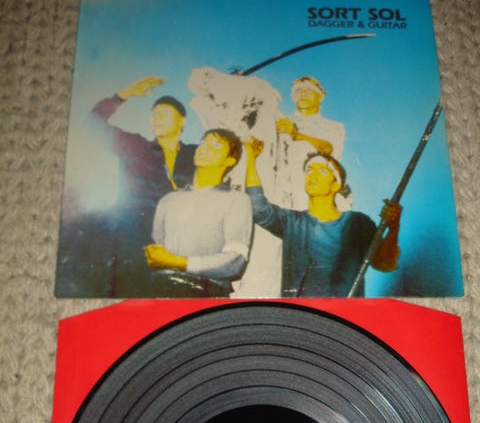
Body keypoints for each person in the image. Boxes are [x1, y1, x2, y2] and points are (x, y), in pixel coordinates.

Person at [87, 75, 197, 296]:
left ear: (182, 121)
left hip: (180, 246)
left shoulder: (197, 154)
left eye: (164, 113)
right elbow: (93, 123)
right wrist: (124, 94)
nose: (156, 117)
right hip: (134, 244)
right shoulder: (136, 146)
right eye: (153, 114)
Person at [245, 151, 402, 297]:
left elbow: (385, 264)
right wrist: (251, 157)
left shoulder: (357, 224)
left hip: (343, 313)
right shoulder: (292, 222)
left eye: (322, 171)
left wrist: (393, 227)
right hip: (300, 313)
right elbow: (257, 208)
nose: (313, 175)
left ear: (336, 185)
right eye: (309, 170)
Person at [144, 129, 256, 297]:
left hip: (207, 293)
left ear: (229, 160)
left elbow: (235, 263)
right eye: (203, 142)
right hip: (163, 291)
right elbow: (156, 252)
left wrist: (180, 263)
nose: (204, 147)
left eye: (216, 145)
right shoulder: (168, 200)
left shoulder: (237, 200)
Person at [276, 76, 346, 210]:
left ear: (321, 96)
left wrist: (297, 135)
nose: (302, 93)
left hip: (312, 189)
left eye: (308, 90)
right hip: (280, 187)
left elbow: (329, 150)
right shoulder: (281, 121)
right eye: (298, 90)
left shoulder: (333, 127)